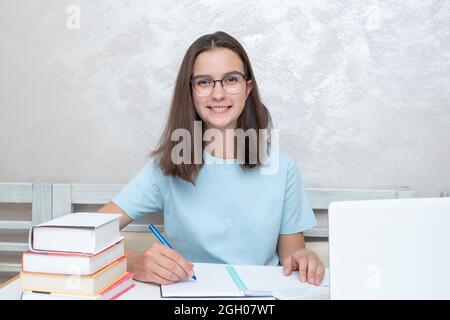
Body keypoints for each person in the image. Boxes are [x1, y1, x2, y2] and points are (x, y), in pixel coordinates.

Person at [98, 31, 325, 286]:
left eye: (231, 79)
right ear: (191, 91)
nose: (218, 94)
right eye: (204, 82)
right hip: (188, 299)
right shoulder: (168, 165)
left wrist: (304, 258)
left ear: (247, 88)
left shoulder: (282, 167)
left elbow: (292, 257)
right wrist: (134, 262)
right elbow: (88, 234)